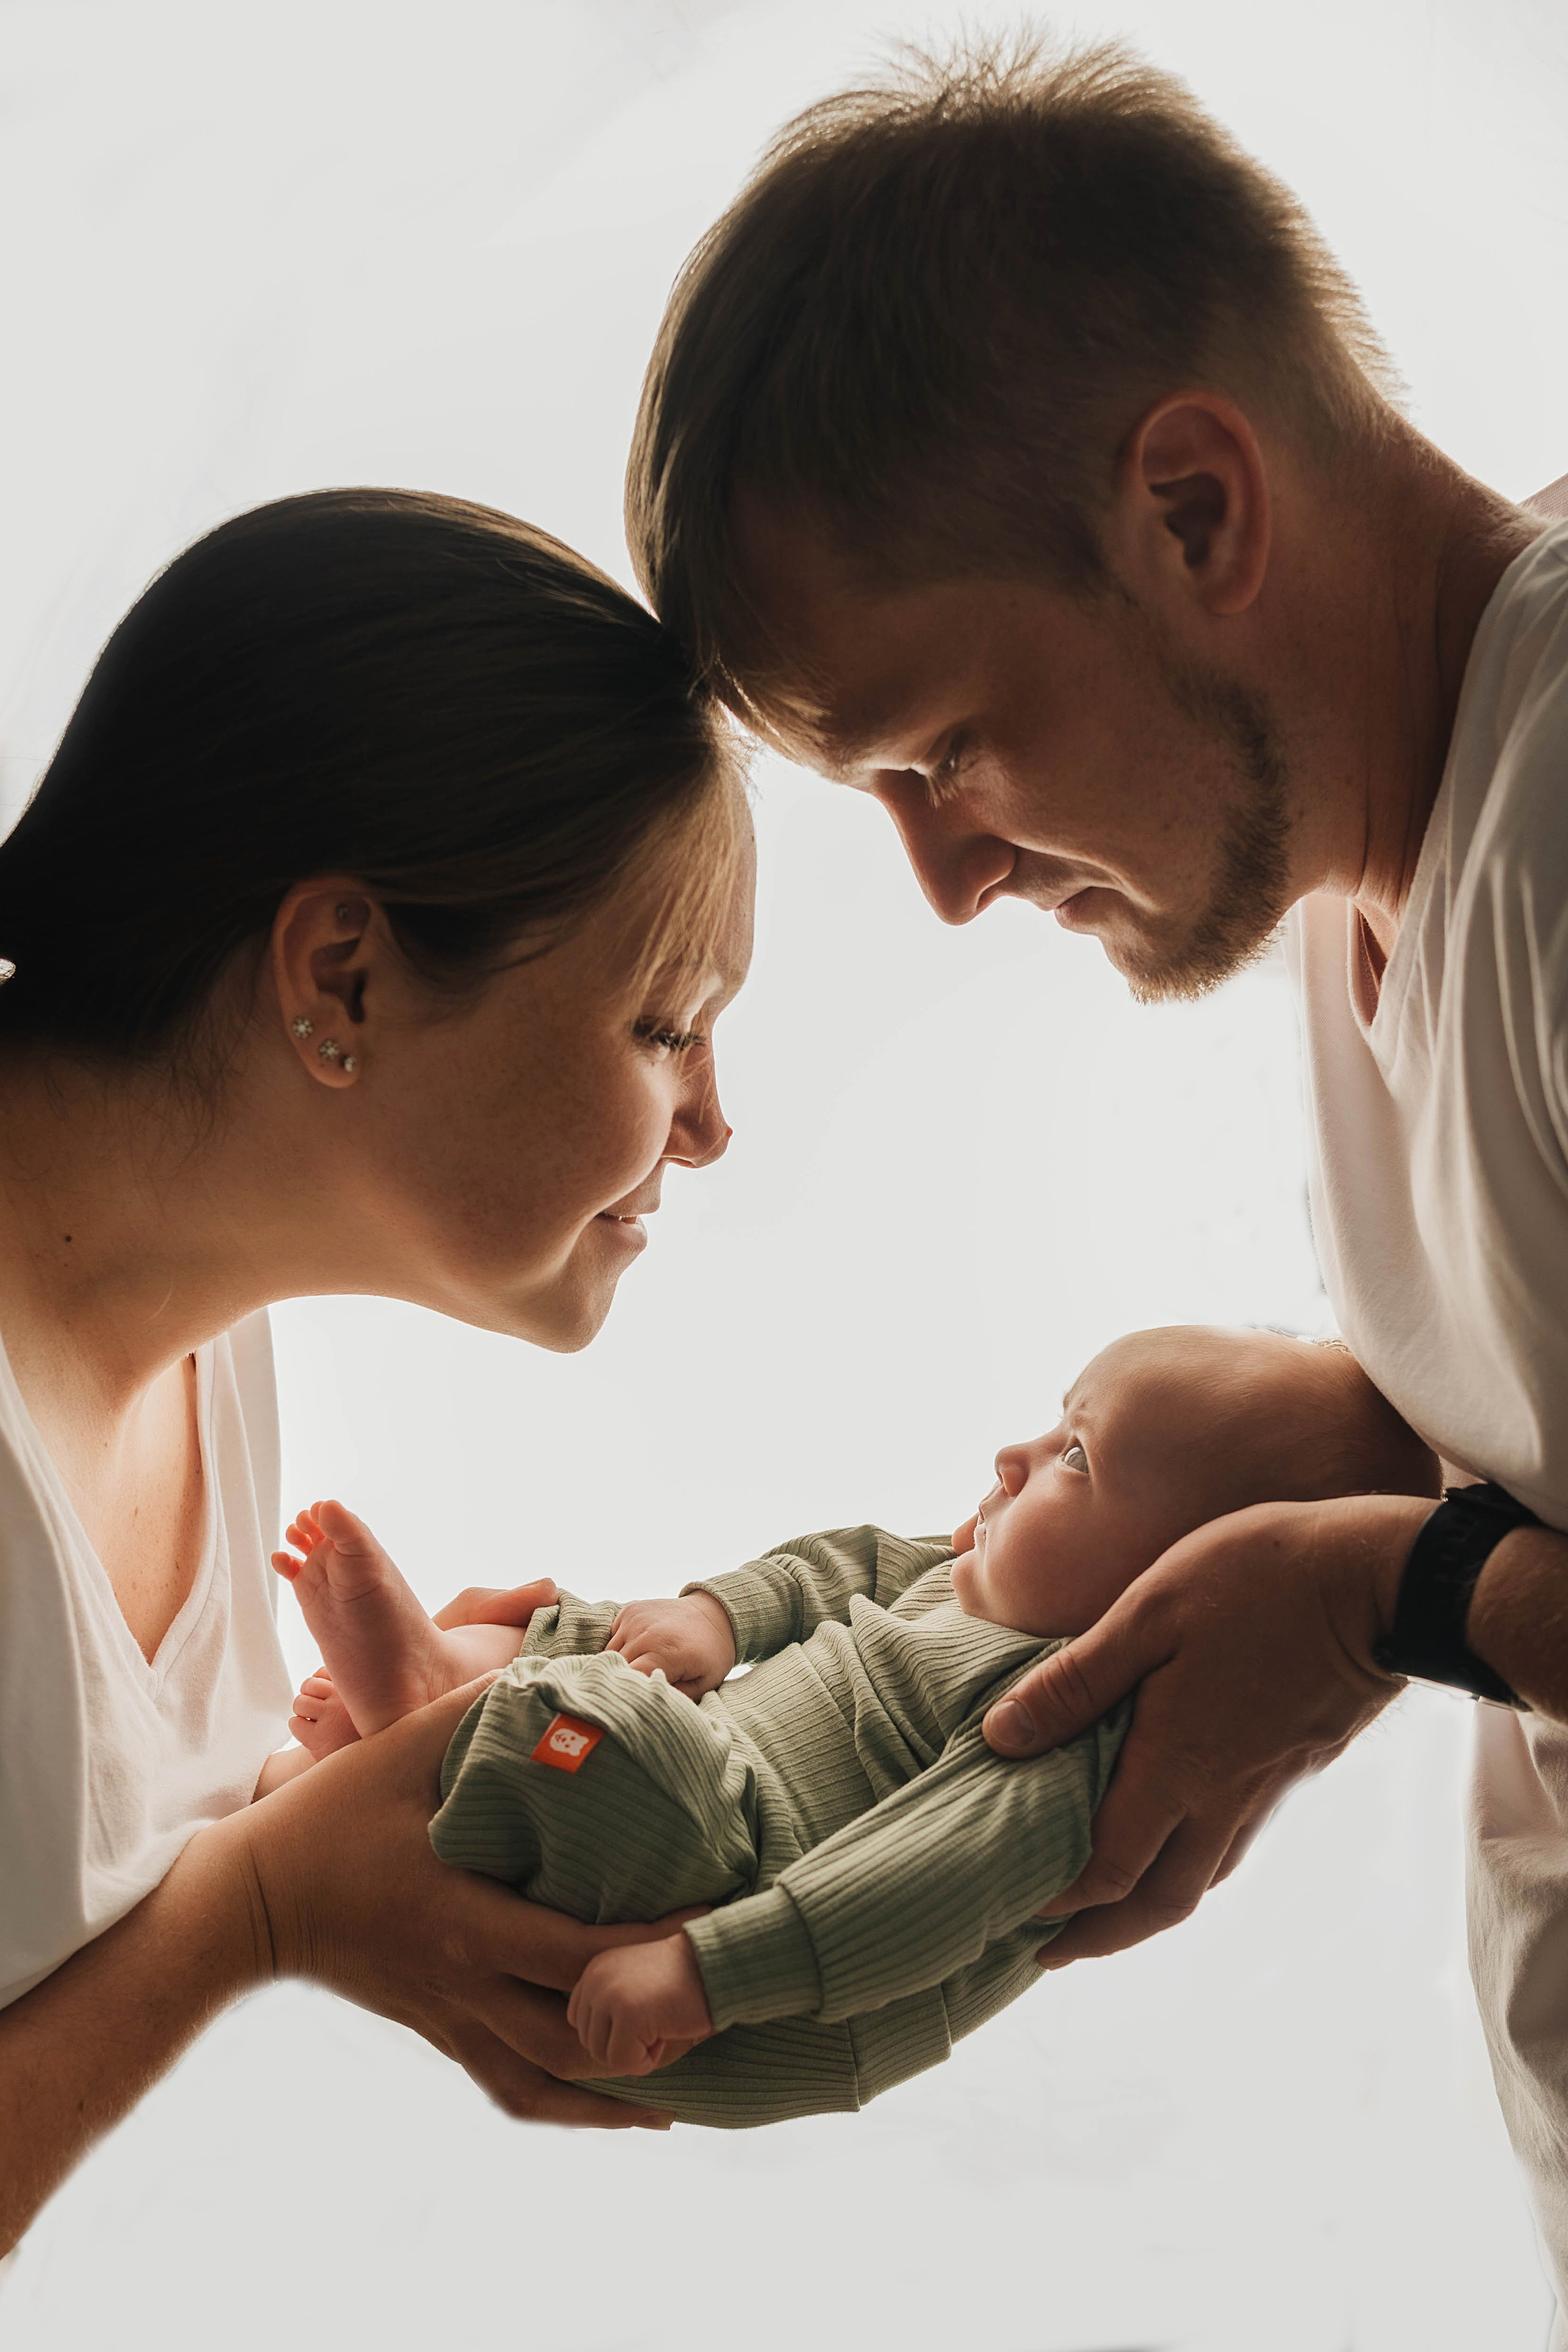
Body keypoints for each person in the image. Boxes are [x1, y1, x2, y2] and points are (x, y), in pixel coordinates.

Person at [622, 28, 1568, 2320]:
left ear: (1199, 514)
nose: (947, 880)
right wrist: (1279, 1460)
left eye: (946, 749)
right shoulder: (1380, 863)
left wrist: (1377, 1596)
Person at [0, 484, 754, 2256]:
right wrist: (265, 1908)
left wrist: (374, 1777)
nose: (714, 1126)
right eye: (664, 1025)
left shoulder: (206, 1335)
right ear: (338, 971)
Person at [265, 1325, 1436, 2123]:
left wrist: (702, 1974)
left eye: (1076, 1458)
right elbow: (840, 1568)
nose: (1015, 1458)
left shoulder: (1072, 1749)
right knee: (561, 1639)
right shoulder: (972, 1571)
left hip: (751, 1922)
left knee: (586, 1729)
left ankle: (423, 1719)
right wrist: (717, 1618)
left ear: (1175, 1593)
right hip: (703, 1770)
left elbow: (913, 1887)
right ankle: (419, 1716)